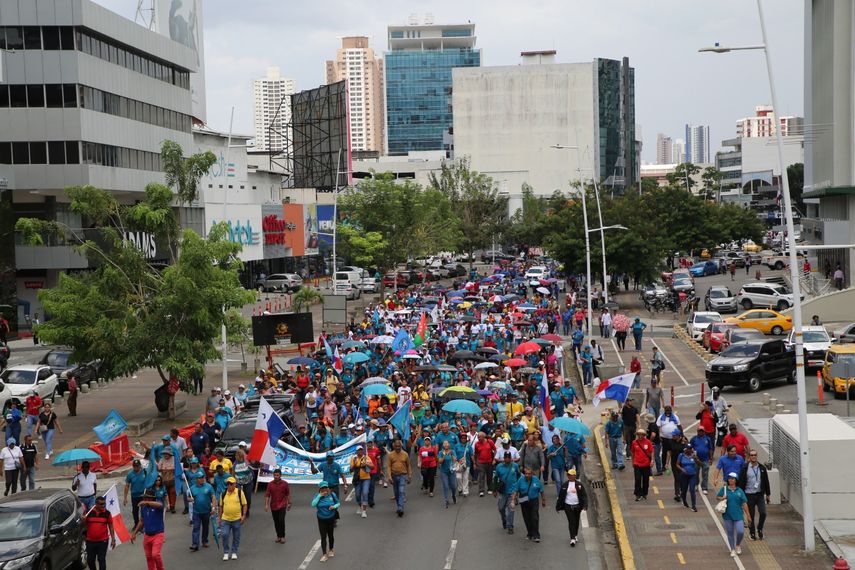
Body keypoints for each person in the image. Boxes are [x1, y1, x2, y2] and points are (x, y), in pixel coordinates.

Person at [738, 450, 771, 541]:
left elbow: (766, 482)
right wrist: (740, 495)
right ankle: (752, 532)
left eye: (755, 455)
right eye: (751, 455)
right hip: (749, 495)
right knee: (751, 515)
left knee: (763, 513)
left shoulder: (762, 468)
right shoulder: (745, 468)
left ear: (757, 456)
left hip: (759, 494)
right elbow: (741, 482)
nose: (753, 457)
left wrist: (768, 494)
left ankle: (759, 529)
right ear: (749, 457)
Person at [717, 472, 752, 557]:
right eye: (729, 478)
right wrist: (722, 498)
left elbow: (744, 503)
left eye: (732, 478)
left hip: (738, 515)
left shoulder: (740, 491)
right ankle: (732, 549)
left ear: (736, 480)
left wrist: (748, 515)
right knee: (730, 533)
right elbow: (717, 497)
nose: (730, 480)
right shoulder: (724, 489)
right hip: (727, 515)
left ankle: (738, 545)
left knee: (740, 531)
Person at [130, 490, 165, 570]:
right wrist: (134, 533)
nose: (144, 499)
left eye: (146, 498)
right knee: (149, 557)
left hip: (158, 534)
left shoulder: (158, 505)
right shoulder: (144, 508)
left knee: (155, 554)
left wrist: (146, 503)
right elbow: (142, 520)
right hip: (147, 535)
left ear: (151, 498)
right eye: (144, 498)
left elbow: (160, 505)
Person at [512, 467, 546, 542]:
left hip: (534, 500)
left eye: (529, 474)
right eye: (526, 474)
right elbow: (515, 491)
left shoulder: (536, 480)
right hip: (524, 502)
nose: (527, 475)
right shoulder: (521, 480)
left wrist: (543, 500)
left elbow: (541, 490)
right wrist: (513, 501)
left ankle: (536, 535)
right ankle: (530, 533)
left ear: (532, 474)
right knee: (527, 518)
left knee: (534, 517)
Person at [556, 468, 588, 547]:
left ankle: (575, 535)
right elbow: (560, 496)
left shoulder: (579, 485)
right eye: (569, 475)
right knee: (571, 521)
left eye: (572, 475)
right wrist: (557, 506)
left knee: (576, 521)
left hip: (577, 506)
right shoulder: (564, 485)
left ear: (575, 476)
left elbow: (584, 496)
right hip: (568, 506)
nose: (571, 476)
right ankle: (572, 538)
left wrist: (585, 505)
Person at [218, 476, 247, 560]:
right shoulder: (223, 494)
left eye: (231, 484)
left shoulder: (239, 493)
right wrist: (219, 518)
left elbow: (244, 504)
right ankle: (226, 552)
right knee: (224, 534)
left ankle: (234, 552)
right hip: (225, 519)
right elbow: (220, 506)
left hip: (237, 519)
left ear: (235, 484)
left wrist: (244, 515)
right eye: (228, 484)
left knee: (236, 536)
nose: (229, 485)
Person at [84, 495, 116, 570]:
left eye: (104, 504)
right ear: (96, 504)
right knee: (90, 560)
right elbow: (83, 525)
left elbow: (111, 526)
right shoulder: (89, 513)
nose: (103, 505)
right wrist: (83, 520)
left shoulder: (107, 513)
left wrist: (113, 539)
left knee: (101, 560)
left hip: (103, 541)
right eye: (101, 504)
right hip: (90, 541)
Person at [312, 481, 340, 562]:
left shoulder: (332, 495)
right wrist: (319, 496)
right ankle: (324, 554)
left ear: (328, 488)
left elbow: (338, 503)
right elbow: (313, 504)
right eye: (323, 488)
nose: (325, 490)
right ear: (320, 489)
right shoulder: (317, 496)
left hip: (331, 518)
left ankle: (331, 549)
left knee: (330, 535)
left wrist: (334, 506)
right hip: (321, 518)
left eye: (326, 488)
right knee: (323, 537)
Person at [493, 451, 520, 534]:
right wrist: (494, 490)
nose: (507, 459)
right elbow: (495, 478)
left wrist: (517, 488)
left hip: (512, 492)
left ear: (511, 458)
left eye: (509, 457)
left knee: (511, 509)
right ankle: (504, 520)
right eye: (506, 457)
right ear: (504, 458)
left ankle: (510, 526)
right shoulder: (499, 467)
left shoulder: (515, 466)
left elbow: (519, 475)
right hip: (502, 491)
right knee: (501, 508)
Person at [188, 472, 215, 551]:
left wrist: (213, 507)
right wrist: (190, 499)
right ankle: (195, 544)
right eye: (200, 478)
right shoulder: (192, 488)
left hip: (206, 511)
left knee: (205, 527)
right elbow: (188, 498)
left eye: (203, 477)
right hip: (196, 512)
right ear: (196, 479)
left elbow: (213, 497)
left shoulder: (209, 486)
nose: (202, 479)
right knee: (196, 528)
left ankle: (204, 541)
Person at [264, 468, 292, 542]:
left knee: (281, 520)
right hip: (273, 506)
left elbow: (287, 493)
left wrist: (289, 503)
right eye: (275, 475)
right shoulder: (270, 484)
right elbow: (267, 495)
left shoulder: (285, 484)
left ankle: (282, 536)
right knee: (276, 521)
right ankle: (278, 536)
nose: (276, 477)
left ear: (280, 476)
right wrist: (266, 505)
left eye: (277, 475)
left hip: (282, 505)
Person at [386, 439, 411, 517]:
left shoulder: (405, 454)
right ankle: (399, 506)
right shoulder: (390, 455)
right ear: (394, 446)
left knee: (401, 491)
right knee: (396, 493)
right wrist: (389, 477)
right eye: (396, 446)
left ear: (401, 446)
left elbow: (408, 466)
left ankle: (400, 508)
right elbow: (389, 466)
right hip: (394, 476)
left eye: (399, 446)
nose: (397, 447)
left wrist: (409, 476)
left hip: (402, 476)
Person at [630, 428, 653, 501]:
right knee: (637, 479)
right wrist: (632, 462)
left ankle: (644, 493)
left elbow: (651, 452)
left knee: (646, 480)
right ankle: (637, 494)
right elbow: (632, 453)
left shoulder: (648, 442)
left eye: (642, 435)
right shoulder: (634, 443)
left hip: (646, 464)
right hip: (637, 464)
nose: (640, 436)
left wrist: (652, 460)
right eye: (639, 435)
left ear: (644, 435)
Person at [348, 447, 372, 518]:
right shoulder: (354, 458)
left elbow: (372, 467)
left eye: (361, 450)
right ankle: (360, 506)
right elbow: (351, 470)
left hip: (366, 478)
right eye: (359, 450)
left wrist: (366, 464)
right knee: (358, 495)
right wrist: (355, 465)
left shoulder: (366, 458)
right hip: (357, 479)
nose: (360, 451)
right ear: (356, 452)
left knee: (365, 493)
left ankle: (364, 511)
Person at [689, 427, 713, 493]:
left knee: (705, 474)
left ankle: (704, 487)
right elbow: (690, 448)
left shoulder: (707, 439)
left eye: (702, 431)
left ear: (704, 432)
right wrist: (691, 457)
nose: (701, 432)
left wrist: (711, 458)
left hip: (705, 459)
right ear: (697, 431)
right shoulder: (694, 439)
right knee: (695, 473)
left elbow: (710, 449)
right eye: (700, 431)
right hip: (696, 460)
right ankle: (696, 485)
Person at [124, 459, 147, 528]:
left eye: (137, 466)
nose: (136, 467)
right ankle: (136, 524)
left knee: (144, 510)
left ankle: (143, 524)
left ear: (140, 465)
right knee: (135, 511)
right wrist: (125, 498)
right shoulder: (130, 474)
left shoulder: (145, 472)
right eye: (134, 466)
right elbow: (127, 486)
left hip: (143, 495)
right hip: (134, 496)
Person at [676, 446, 700, 511]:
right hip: (684, 475)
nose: (689, 451)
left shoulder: (694, 455)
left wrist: (696, 459)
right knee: (684, 490)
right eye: (687, 449)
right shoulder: (681, 455)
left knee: (692, 489)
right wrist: (682, 469)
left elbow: (699, 464)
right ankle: (684, 501)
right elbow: (677, 464)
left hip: (692, 475)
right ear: (685, 449)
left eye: (690, 449)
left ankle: (693, 505)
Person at [473, 431, 497, 497]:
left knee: (489, 476)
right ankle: (481, 490)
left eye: (479, 437)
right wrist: (475, 462)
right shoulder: (477, 444)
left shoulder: (490, 442)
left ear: (483, 437)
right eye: (478, 437)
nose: (478, 438)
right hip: (481, 462)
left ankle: (490, 488)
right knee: (481, 476)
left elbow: (495, 450)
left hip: (489, 462)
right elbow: (476, 453)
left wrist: (494, 459)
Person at [437, 440, 458, 508]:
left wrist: (451, 455)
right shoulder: (440, 452)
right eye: (444, 444)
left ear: (449, 445)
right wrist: (444, 455)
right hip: (444, 471)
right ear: (443, 445)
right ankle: (446, 500)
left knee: (454, 486)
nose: (446, 445)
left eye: (447, 444)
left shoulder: (452, 451)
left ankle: (453, 495)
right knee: (445, 486)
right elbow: (439, 461)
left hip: (452, 471)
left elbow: (455, 460)